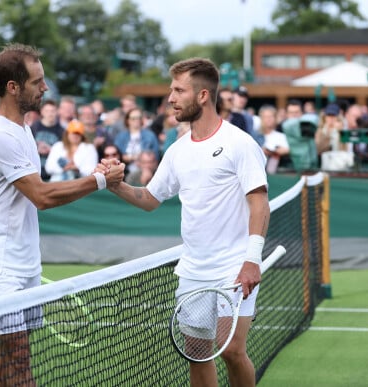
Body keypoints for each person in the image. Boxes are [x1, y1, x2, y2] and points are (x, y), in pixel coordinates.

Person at [0, 43, 124, 387]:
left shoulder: (22, 129)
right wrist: (99, 180)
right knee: (21, 358)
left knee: (9, 355)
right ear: (13, 87)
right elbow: (41, 196)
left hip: (23, 258)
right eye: (37, 81)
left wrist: (94, 177)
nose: (45, 88)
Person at [104, 57, 269, 387]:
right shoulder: (177, 151)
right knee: (196, 352)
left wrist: (251, 260)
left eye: (179, 90)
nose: (171, 98)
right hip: (193, 270)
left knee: (232, 351)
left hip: (234, 266)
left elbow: (260, 204)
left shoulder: (240, 143)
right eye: (171, 90)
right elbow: (150, 199)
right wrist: (116, 184)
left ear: (203, 95)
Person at [114, 107, 160, 173]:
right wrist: (135, 157)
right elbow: (116, 155)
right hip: (124, 170)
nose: (137, 120)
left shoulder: (150, 135)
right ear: (127, 120)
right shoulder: (121, 136)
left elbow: (156, 156)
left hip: (145, 170)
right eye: (133, 118)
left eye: (139, 117)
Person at [258, 105, 290, 174]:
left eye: (271, 117)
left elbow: (286, 150)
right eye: (265, 117)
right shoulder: (255, 135)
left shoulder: (281, 136)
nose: (268, 119)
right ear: (261, 118)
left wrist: (275, 152)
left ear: (275, 118)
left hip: (277, 170)